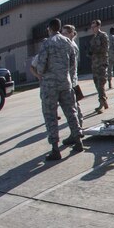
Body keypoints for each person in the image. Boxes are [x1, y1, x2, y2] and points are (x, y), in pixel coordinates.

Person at [33, 18, 84, 160]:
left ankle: (55, 149)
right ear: (60, 28)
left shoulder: (47, 43)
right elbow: (73, 64)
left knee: (50, 115)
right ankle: (78, 141)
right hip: (66, 83)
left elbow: (40, 66)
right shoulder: (68, 42)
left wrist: (41, 74)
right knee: (71, 112)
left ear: (49, 28)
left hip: (50, 85)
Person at [61, 24, 85, 131]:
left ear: (71, 34)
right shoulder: (69, 45)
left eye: (65, 33)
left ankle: (78, 127)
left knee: (73, 105)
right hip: (70, 79)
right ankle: (78, 125)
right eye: (62, 33)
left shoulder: (72, 46)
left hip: (71, 79)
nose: (63, 35)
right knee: (74, 103)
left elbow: (70, 65)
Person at [89, 19, 110, 113]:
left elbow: (105, 49)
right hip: (95, 63)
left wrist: (94, 50)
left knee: (101, 83)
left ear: (98, 26)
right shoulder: (93, 38)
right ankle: (104, 101)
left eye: (94, 26)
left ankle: (101, 103)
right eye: (92, 27)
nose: (92, 28)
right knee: (96, 83)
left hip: (101, 63)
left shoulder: (103, 36)